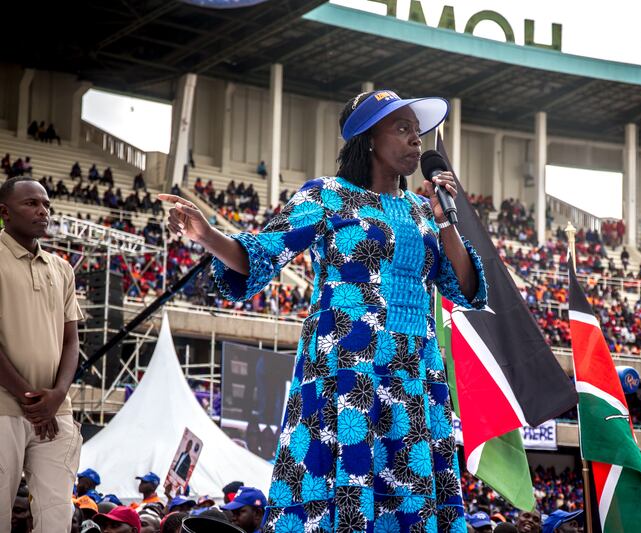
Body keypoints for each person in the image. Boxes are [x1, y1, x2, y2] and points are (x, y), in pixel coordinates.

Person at [159, 89, 486, 532]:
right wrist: (208, 236)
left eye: (417, 130)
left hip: (413, 370)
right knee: (343, 483)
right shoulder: (328, 197)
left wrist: (446, 218)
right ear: (369, 138)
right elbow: (260, 256)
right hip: (348, 364)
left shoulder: (422, 211)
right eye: (403, 128)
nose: (417, 141)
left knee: (409, 485)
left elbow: (465, 288)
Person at [0, 176, 84, 532]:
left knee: (57, 518)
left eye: (46, 204)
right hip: (4, 407)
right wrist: (33, 400)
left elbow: (71, 341)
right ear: (4, 212)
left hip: (56, 412)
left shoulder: (62, 268)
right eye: (31, 204)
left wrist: (58, 396)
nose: (42, 211)